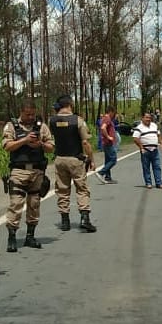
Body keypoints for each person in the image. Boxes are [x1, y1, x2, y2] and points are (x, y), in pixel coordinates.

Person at [2, 99, 55, 252]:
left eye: (33, 114)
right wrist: (24, 140)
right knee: (16, 205)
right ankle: (12, 237)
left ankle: (30, 236)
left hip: (37, 172)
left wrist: (41, 145)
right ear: (21, 113)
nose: (31, 117)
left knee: (34, 204)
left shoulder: (41, 127)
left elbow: (51, 147)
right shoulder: (12, 126)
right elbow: (7, 146)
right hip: (19, 171)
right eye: (28, 114)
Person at [49, 95, 97, 233]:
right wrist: (91, 159)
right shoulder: (78, 121)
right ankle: (84, 218)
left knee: (62, 190)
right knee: (82, 189)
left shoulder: (52, 121)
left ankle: (65, 221)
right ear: (70, 104)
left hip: (59, 159)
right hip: (75, 159)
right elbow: (85, 142)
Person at [132, 112, 162, 189]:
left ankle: (159, 183)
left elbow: (159, 135)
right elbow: (135, 138)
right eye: (146, 117)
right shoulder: (139, 127)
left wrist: (161, 144)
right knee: (146, 167)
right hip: (145, 150)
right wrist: (141, 147)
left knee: (157, 166)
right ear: (142, 118)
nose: (148, 119)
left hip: (154, 150)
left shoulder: (154, 125)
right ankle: (148, 183)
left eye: (149, 118)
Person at [96, 106, 118, 184]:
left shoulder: (105, 119)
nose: (114, 115)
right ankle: (101, 172)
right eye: (113, 113)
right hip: (108, 143)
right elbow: (103, 128)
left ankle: (108, 177)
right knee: (113, 159)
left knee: (108, 160)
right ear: (110, 112)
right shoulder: (107, 118)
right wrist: (108, 137)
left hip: (106, 143)